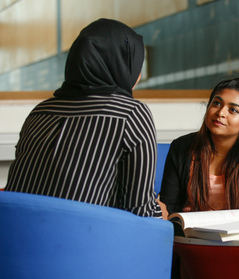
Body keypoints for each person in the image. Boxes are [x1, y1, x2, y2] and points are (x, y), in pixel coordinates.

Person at [4, 18, 162, 217]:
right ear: (122, 67)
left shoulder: (40, 112)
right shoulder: (130, 114)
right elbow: (140, 213)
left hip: (12, 240)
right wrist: (161, 213)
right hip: (80, 243)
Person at [159, 77, 239, 217]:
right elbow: (170, 209)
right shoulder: (180, 146)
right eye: (216, 103)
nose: (221, 113)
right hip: (189, 235)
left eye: (233, 110)